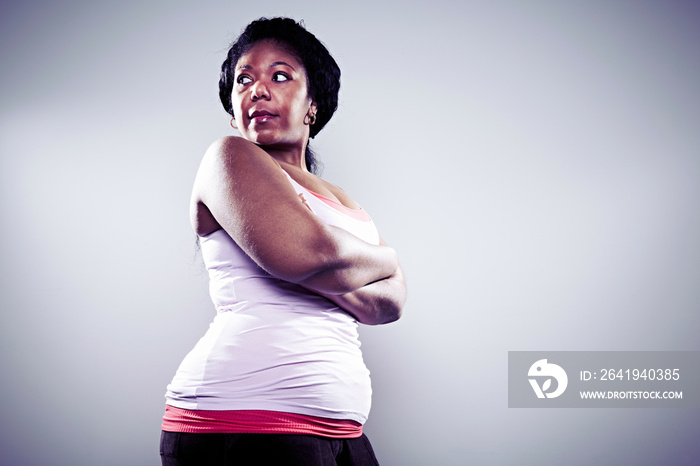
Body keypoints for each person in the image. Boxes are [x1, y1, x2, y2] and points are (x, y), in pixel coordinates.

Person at [160, 17, 406, 466]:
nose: (257, 90)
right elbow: (309, 255)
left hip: (341, 428)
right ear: (233, 111)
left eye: (279, 75)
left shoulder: (340, 199)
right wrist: (384, 258)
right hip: (247, 423)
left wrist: (326, 263)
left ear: (313, 103)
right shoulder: (229, 158)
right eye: (244, 79)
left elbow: (388, 305)